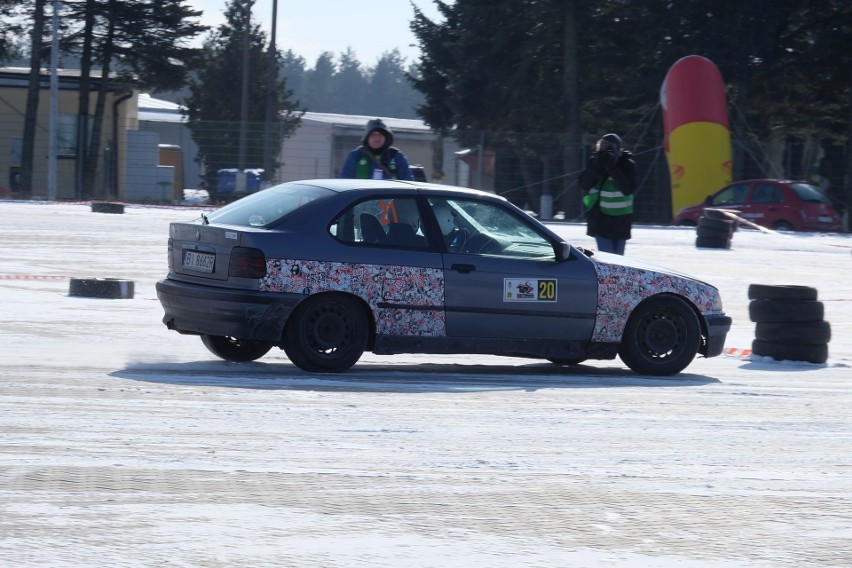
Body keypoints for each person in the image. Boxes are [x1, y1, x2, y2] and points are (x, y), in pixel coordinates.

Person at [578, 133, 638, 255]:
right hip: (600, 220)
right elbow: (584, 184)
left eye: (609, 147)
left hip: (622, 220)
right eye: (602, 146)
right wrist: (597, 165)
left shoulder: (627, 164)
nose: (605, 150)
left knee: (618, 260)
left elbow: (627, 189)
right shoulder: (595, 161)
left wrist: (611, 166)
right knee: (608, 256)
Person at [339, 118, 414, 181]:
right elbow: (345, 182)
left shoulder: (396, 156)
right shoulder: (356, 155)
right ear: (367, 137)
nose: (377, 138)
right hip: (363, 198)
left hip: (391, 198)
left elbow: (408, 183)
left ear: (386, 137)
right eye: (373, 134)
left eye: (380, 134)